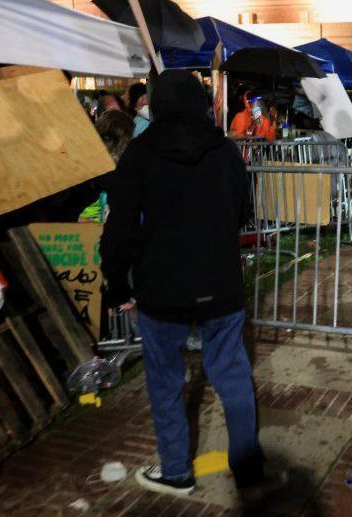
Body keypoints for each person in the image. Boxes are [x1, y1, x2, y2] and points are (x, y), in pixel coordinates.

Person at [100, 70, 279, 503]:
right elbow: (243, 212)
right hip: (219, 283)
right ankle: (249, 469)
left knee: (164, 382)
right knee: (233, 377)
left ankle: (177, 470)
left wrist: (117, 284)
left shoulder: (140, 156)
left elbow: (119, 229)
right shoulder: (226, 154)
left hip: (162, 288)